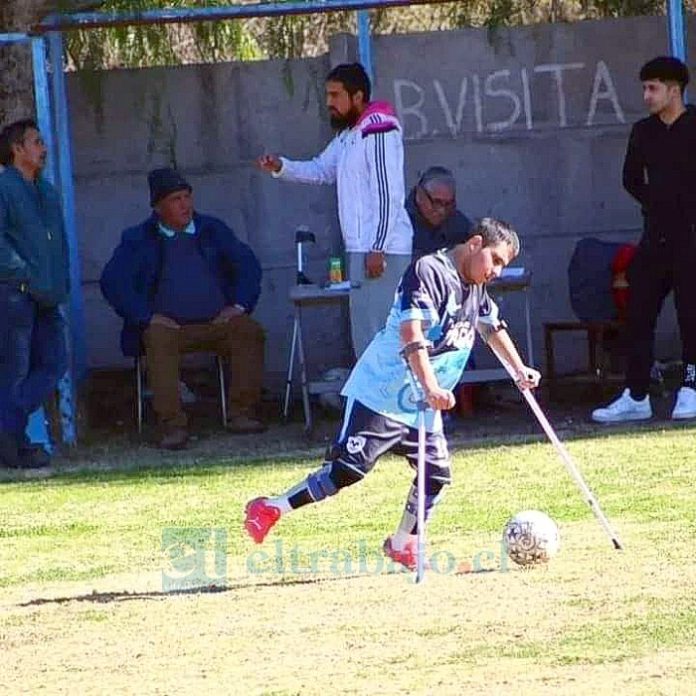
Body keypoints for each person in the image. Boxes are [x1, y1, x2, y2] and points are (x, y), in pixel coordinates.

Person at [244, 218, 540, 569]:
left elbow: (492, 329)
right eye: (496, 260)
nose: (498, 271)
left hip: (420, 406)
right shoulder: (429, 271)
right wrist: (432, 387)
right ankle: (270, 507)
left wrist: (519, 370)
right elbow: (411, 333)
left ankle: (404, 543)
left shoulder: (475, 286)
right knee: (346, 471)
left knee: (436, 475)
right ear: (475, 243)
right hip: (382, 392)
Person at [101, 168, 266, 449]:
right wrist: (146, 317)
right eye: (176, 199)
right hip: (169, 327)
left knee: (249, 331)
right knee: (156, 338)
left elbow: (247, 266)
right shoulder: (138, 239)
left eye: (187, 197)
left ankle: (241, 413)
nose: (185, 205)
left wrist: (239, 305)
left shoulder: (212, 230)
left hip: (217, 322)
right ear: (158, 206)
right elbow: (113, 282)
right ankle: (173, 427)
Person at [257, 62, 413, 359]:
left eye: (335, 95)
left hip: (383, 252)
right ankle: (373, 404)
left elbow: (388, 193)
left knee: (385, 339)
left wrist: (378, 247)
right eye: (327, 95)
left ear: (357, 96)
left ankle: (394, 404)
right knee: (367, 340)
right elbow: (321, 169)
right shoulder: (348, 135)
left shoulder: (378, 128)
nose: (329, 103)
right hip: (363, 251)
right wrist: (281, 167)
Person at [592, 56, 696, 423]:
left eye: (653, 88)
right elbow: (631, 179)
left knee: (691, 315)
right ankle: (636, 394)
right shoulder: (643, 132)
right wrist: (658, 203)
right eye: (644, 88)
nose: (647, 95)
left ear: (674, 90)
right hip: (656, 236)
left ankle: (691, 388)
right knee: (638, 312)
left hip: (692, 238)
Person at [0, 119, 69, 469]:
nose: (43, 149)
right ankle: (11, 440)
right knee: (15, 370)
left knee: (55, 362)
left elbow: (58, 244)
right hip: (16, 295)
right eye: (36, 142)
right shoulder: (4, 187)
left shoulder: (46, 190)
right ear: (17, 149)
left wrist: (59, 284)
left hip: (47, 294)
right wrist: (21, 275)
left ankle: (6, 430)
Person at [407, 165, 472, 259]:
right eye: (436, 202)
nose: (442, 210)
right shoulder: (401, 222)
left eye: (448, 204)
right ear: (420, 195)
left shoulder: (458, 222)